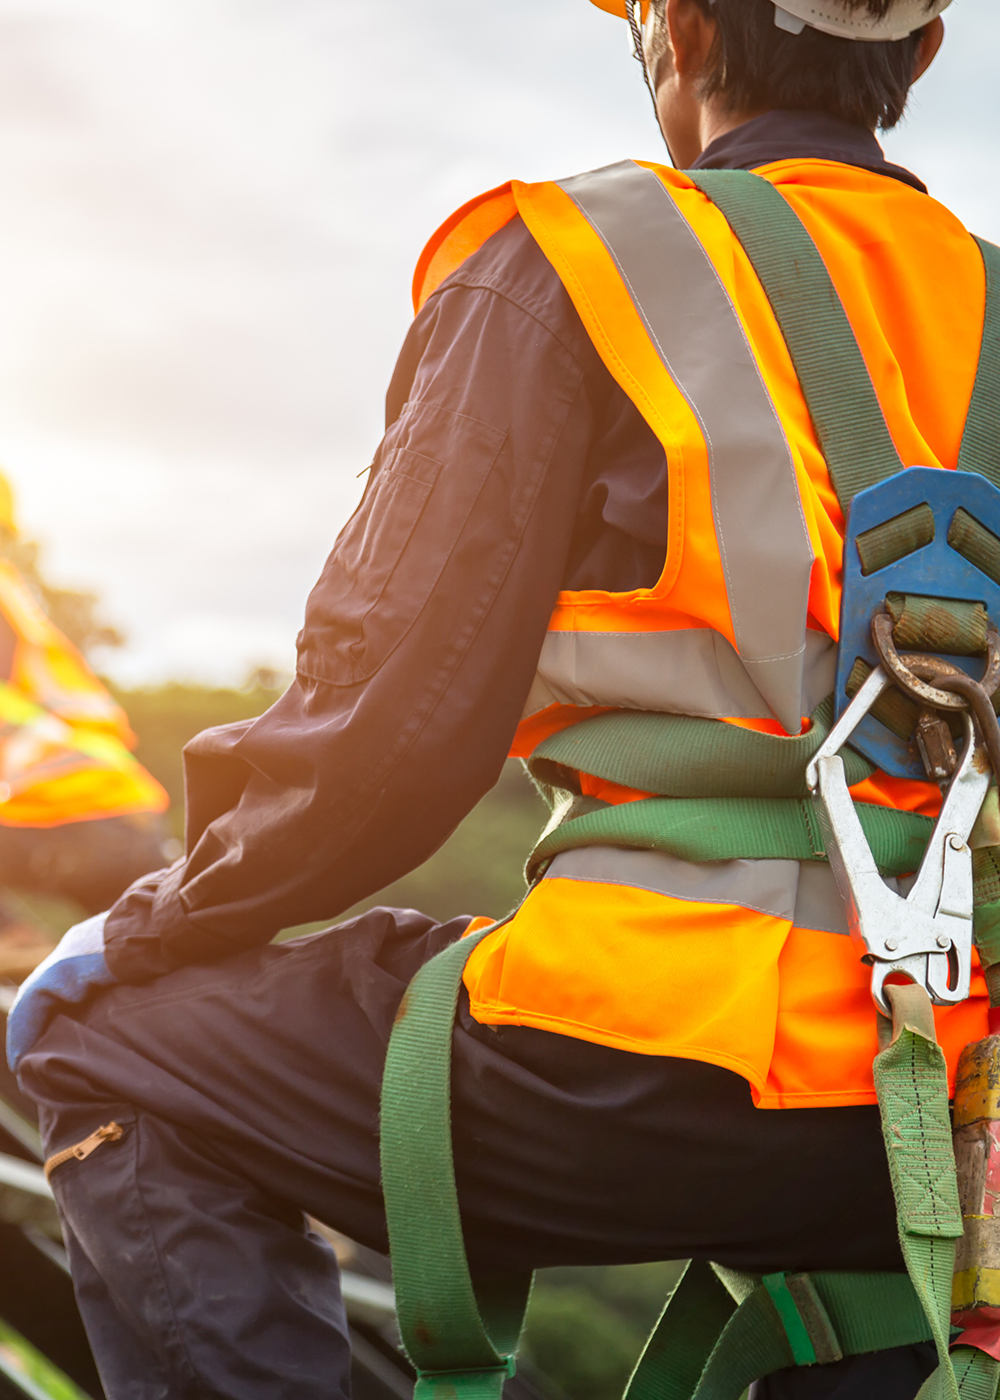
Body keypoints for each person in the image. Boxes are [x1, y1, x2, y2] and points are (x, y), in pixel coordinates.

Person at [5, 0, 982, 1395]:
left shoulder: (585, 263)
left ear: (683, 37)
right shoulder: (990, 304)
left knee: (94, 1038)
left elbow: (385, 734)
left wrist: (166, 919)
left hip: (642, 1056)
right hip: (956, 1108)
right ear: (922, 55)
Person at [0, 473, 168, 979]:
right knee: (154, 967)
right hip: (129, 822)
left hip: (67, 821)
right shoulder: (16, 604)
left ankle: (10, 938)